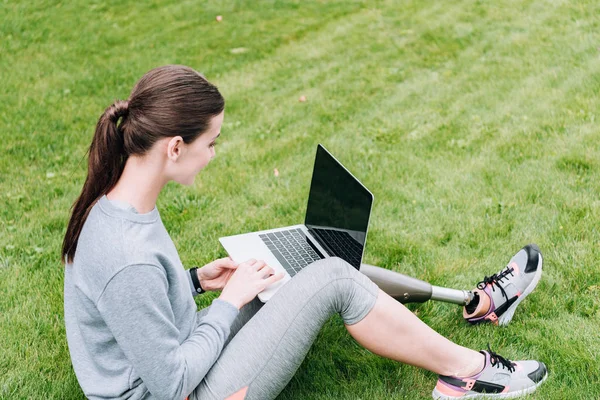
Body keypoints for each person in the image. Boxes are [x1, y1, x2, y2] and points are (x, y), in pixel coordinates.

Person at [62, 65, 547, 400]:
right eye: (211, 142)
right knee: (332, 276)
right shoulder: (127, 254)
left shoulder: (119, 204)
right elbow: (170, 381)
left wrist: (194, 280)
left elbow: (133, 311)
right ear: (173, 147)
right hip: (188, 391)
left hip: (182, 356)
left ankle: (477, 302)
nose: (213, 153)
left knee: (313, 264)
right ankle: (469, 373)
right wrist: (231, 302)